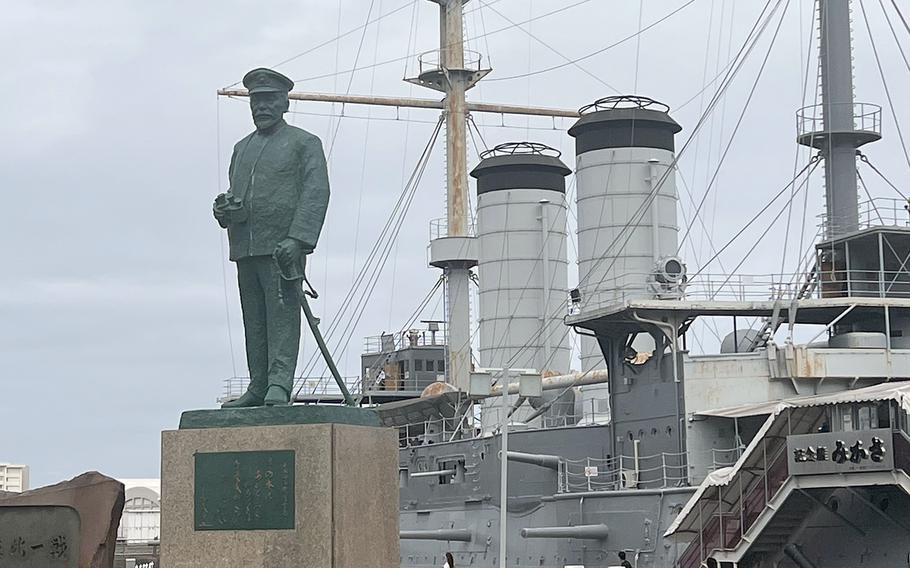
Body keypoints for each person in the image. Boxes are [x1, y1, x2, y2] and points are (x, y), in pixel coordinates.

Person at [215, 67, 330, 407]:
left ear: (284, 104)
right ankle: (259, 384)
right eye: (256, 101)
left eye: (268, 100)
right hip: (245, 247)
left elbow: (316, 191)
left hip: (282, 247)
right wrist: (225, 211)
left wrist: (298, 238)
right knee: (254, 319)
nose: (261, 107)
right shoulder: (241, 148)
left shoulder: (304, 143)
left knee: (281, 316)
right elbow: (238, 195)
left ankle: (279, 383)